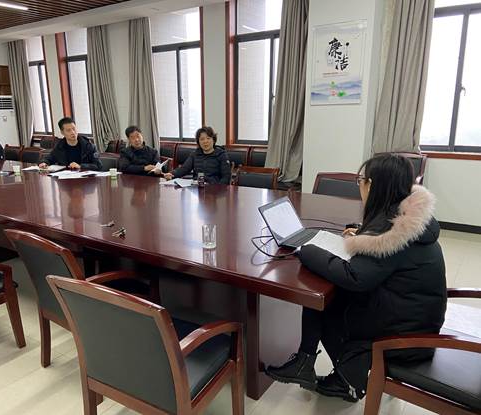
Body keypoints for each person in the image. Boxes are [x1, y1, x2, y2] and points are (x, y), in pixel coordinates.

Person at [266, 154, 447, 402]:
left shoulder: (392, 235)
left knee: (324, 300)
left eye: (361, 180)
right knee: (325, 292)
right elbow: (381, 260)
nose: (359, 185)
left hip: (405, 335)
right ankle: (306, 363)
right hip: (414, 315)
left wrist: (307, 250)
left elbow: (355, 277)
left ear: (374, 186)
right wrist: (362, 234)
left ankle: (346, 379)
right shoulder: (408, 217)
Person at [163, 126, 231, 184]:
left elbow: (226, 177)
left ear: (213, 140)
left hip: (214, 189)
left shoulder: (221, 155)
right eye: (202, 139)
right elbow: (184, 169)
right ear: (198, 142)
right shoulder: (195, 154)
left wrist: (218, 190)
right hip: (197, 187)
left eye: (208, 138)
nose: (205, 141)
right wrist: (172, 174)